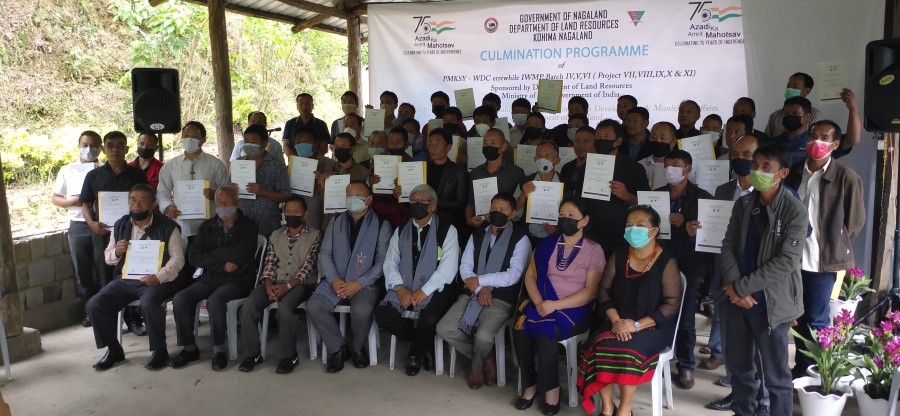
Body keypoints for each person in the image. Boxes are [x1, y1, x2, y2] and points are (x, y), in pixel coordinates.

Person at [721, 144, 807, 416]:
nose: (757, 171)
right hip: (737, 301)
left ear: (782, 173)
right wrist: (735, 288)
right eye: (755, 164)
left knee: (776, 376)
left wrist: (740, 287)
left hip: (772, 304)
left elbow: (786, 261)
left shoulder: (794, 209)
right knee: (739, 368)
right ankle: (742, 411)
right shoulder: (744, 203)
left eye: (765, 167)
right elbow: (728, 246)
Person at [578, 205, 682, 416]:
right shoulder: (618, 255)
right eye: (629, 225)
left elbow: (670, 305)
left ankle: (625, 410)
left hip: (652, 326)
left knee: (626, 351)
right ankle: (607, 408)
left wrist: (635, 325)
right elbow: (604, 291)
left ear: (655, 231)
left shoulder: (666, 262)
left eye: (640, 225)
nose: (633, 229)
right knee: (597, 346)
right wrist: (617, 321)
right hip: (617, 321)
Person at [785, 120, 865, 377]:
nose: (816, 142)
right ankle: (799, 369)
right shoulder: (794, 171)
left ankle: (812, 373)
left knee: (817, 320)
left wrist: (834, 244)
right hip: (791, 259)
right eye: (813, 135)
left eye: (824, 137)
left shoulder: (846, 177)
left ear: (835, 144)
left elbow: (855, 221)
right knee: (796, 318)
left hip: (822, 261)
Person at [514, 197, 604, 415]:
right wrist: (538, 302)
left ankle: (552, 388)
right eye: (562, 214)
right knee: (519, 330)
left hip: (574, 307)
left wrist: (555, 305)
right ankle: (530, 384)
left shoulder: (594, 250)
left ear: (584, 221)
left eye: (571, 216)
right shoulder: (547, 243)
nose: (565, 219)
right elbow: (531, 276)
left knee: (546, 333)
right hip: (543, 301)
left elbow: (591, 291)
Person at [704, 135, 772, 413]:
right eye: (738, 153)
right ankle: (738, 394)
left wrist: (743, 286)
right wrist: (699, 228)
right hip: (726, 276)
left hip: (759, 282)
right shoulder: (722, 189)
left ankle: (764, 400)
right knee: (734, 344)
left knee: (762, 346)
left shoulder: (772, 195)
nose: (742, 159)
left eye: (749, 155)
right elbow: (721, 237)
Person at [436, 192, 531, 389]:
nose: (496, 212)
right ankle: (487, 357)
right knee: (444, 328)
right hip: (472, 293)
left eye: (502, 210)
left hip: (501, 298)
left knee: (484, 337)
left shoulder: (521, 239)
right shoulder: (478, 234)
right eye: (493, 208)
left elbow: (513, 275)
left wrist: (481, 281)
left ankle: (476, 368)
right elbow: (465, 266)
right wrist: (480, 288)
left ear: (513, 213)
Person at [85, 183, 184, 370]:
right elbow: (108, 257)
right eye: (132, 199)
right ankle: (114, 349)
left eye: (143, 199)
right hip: (126, 279)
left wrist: (159, 276)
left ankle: (159, 350)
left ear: (153, 204)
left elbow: (178, 259)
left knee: (149, 302)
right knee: (94, 304)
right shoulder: (120, 224)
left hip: (156, 280)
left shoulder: (169, 227)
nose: (137, 204)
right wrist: (117, 253)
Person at [167, 185, 259, 371]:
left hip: (237, 280)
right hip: (209, 277)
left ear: (237, 203)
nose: (222, 207)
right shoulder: (207, 226)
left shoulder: (249, 226)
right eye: (219, 203)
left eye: (226, 203)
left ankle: (218, 350)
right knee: (180, 299)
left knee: (215, 300)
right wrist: (222, 264)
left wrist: (211, 256)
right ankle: (189, 347)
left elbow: (241, 254)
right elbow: (194, 255)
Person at [375, 184, 460, 376]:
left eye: (422, 201)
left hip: (436, 287)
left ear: (433, 206)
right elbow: (390, 262)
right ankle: (423, 343)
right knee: (383, 315)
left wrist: (424, 291)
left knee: (429, 319)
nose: (416, 204)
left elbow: (448, 268)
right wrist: (400, 288)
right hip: (404, 284)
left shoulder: (447, 230)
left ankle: (414, 354)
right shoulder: (401, 230)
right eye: (413, 201)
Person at [307, 181, 392, 373]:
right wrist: (334, 279)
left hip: (365, 283)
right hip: (336, 280)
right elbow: (324, 254)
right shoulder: (335, 221)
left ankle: (357, 347)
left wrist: (359, 283)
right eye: (348, 195)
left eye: (357, 196)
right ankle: (338, 348)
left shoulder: (381, 223)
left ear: (368, 200)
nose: (352, 200)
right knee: (314, 306)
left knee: (361, 310)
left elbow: (383, 261)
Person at [237, 195, 321, 374]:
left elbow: (308, 268)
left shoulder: (315, 235)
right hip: (274, 282)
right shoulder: (276, 234)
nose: (291, 215)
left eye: (296, 211)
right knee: (248, 307)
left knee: (284, 309)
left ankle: (288, 356)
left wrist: (287, 287)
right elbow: (269, 263)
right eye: (287, 211)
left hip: (301, 284)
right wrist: (267, 284)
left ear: (305, 214)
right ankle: (252, 355)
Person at [655, 149, 715, 389]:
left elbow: (710, 238)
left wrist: (687, 230)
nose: (671, 168)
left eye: (676, 164)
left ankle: (686, 366)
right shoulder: (656, 195)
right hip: (659, 264)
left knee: (687, 318)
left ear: (688, 169)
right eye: (667, 164)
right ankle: (657, 360)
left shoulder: (702, 197)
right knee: (659, 313)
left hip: (690, 266)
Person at [80, 131, 149, 334]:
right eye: (110, 145)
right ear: (103, 149)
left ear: (127, 149)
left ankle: (133, 319)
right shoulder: (93, 176)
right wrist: (91, 223)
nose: (115, 150)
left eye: (120, 145)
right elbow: (85, 203)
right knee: (105, 276)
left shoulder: (137, 174)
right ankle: (109, 321)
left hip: (132, 233)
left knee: (130, 275)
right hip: (102, 234)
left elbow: (145, 201)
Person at [157, 121, 231, 290]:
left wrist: (215, 195)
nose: (189, 139)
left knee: (205, 270)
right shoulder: (170, 166)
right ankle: (183, 303)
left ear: (203, 140)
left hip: (209, 228)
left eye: (194, 136)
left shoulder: (215, 164)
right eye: (186, 136)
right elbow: (162, 193)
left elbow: (227, 193)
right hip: (181, 228)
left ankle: (203, 303)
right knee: (182, 271)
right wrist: (168, 207)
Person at [561, 121, 650, 255]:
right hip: (589, 233)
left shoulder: (634, 168)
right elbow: (578, 202)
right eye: (598, 136)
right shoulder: (586, 167)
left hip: (619, 235)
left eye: (607, 136)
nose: (601, 140)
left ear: (618, 140)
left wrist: (626, 195)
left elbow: (647, 205)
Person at [51, 130, 102, 326]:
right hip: (78, 226)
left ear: (101, 148)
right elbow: (56, 197)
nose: (89, 149)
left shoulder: (105, 168)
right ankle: (90, 311)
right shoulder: (67, 169)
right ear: (78, 146)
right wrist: (71, 202)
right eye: (85, 145)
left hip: (101, 224)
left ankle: (108, 309)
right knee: (83, 271)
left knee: (103, 268)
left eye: (94, 145)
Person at [233, 124, 291, 238]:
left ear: (264, 144)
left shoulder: (276, 165)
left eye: (253, 141)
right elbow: (231, 193)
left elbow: (286, 196)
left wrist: (262, 191)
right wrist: (232, 190)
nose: (248, 145)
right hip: (241, 223)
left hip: (267, 225)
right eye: (246, 141)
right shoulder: (238, 163)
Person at [466, 128, 525, 234]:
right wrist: (469, 219)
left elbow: (522, 201)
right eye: (485, 143)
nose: (488, 146)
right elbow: (470, 202)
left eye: (493, 143)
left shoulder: (516, 172)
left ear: (503, 147)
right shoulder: (475, 172)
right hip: (481, 226)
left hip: (506, 228)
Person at [420, 128, 468, 243]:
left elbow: (460, 203)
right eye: (430, 143)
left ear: (448, 147)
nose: (432, 148)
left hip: (448, 225)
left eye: (437, 144)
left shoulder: (458, 171)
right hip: (423, 222)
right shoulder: (422, 168)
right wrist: (402, 194)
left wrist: (435, 203)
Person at [516, 141, 562, 242]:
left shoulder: (567, 185)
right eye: (539, 156)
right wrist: (523, 196)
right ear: (534, 159)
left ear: (557, 160)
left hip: (556, 239)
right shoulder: (524, 182)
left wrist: (558, 232)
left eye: (547, 156)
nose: (542, 159)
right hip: (528, 239)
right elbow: (514, 216)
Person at [370, 128, 412, 227]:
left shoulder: (413, 165)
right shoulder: (379, 162)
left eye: (398, 142)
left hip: (402, 217)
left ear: (406, 145)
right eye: (391, 142)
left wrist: (404, 191)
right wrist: (370, 182)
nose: (394, 145)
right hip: (379, 215)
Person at [764, 73, 824, 138]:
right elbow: (767, 141)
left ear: (807, 91)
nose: (789, 89)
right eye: (788, 86)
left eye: (795, 87)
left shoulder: (815, 115)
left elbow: (816, 139)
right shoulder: (775, 116)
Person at [283, 92, 330, 157]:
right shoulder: (290, 124)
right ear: (297, 106)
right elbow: (285, 145)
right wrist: (295, 160)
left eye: (307, 103)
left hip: (316, 163)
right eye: (301, 104)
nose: (304, 106)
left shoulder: (321, 124)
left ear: (312, 106)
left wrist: (313, 159)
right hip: (295, 162)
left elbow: (324, 147)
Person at [637, 122, 679, 190]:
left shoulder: (680, 168)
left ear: (673, 142)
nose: (657, 141)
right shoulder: (639, 165)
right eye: (653, 137)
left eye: (662, 138)